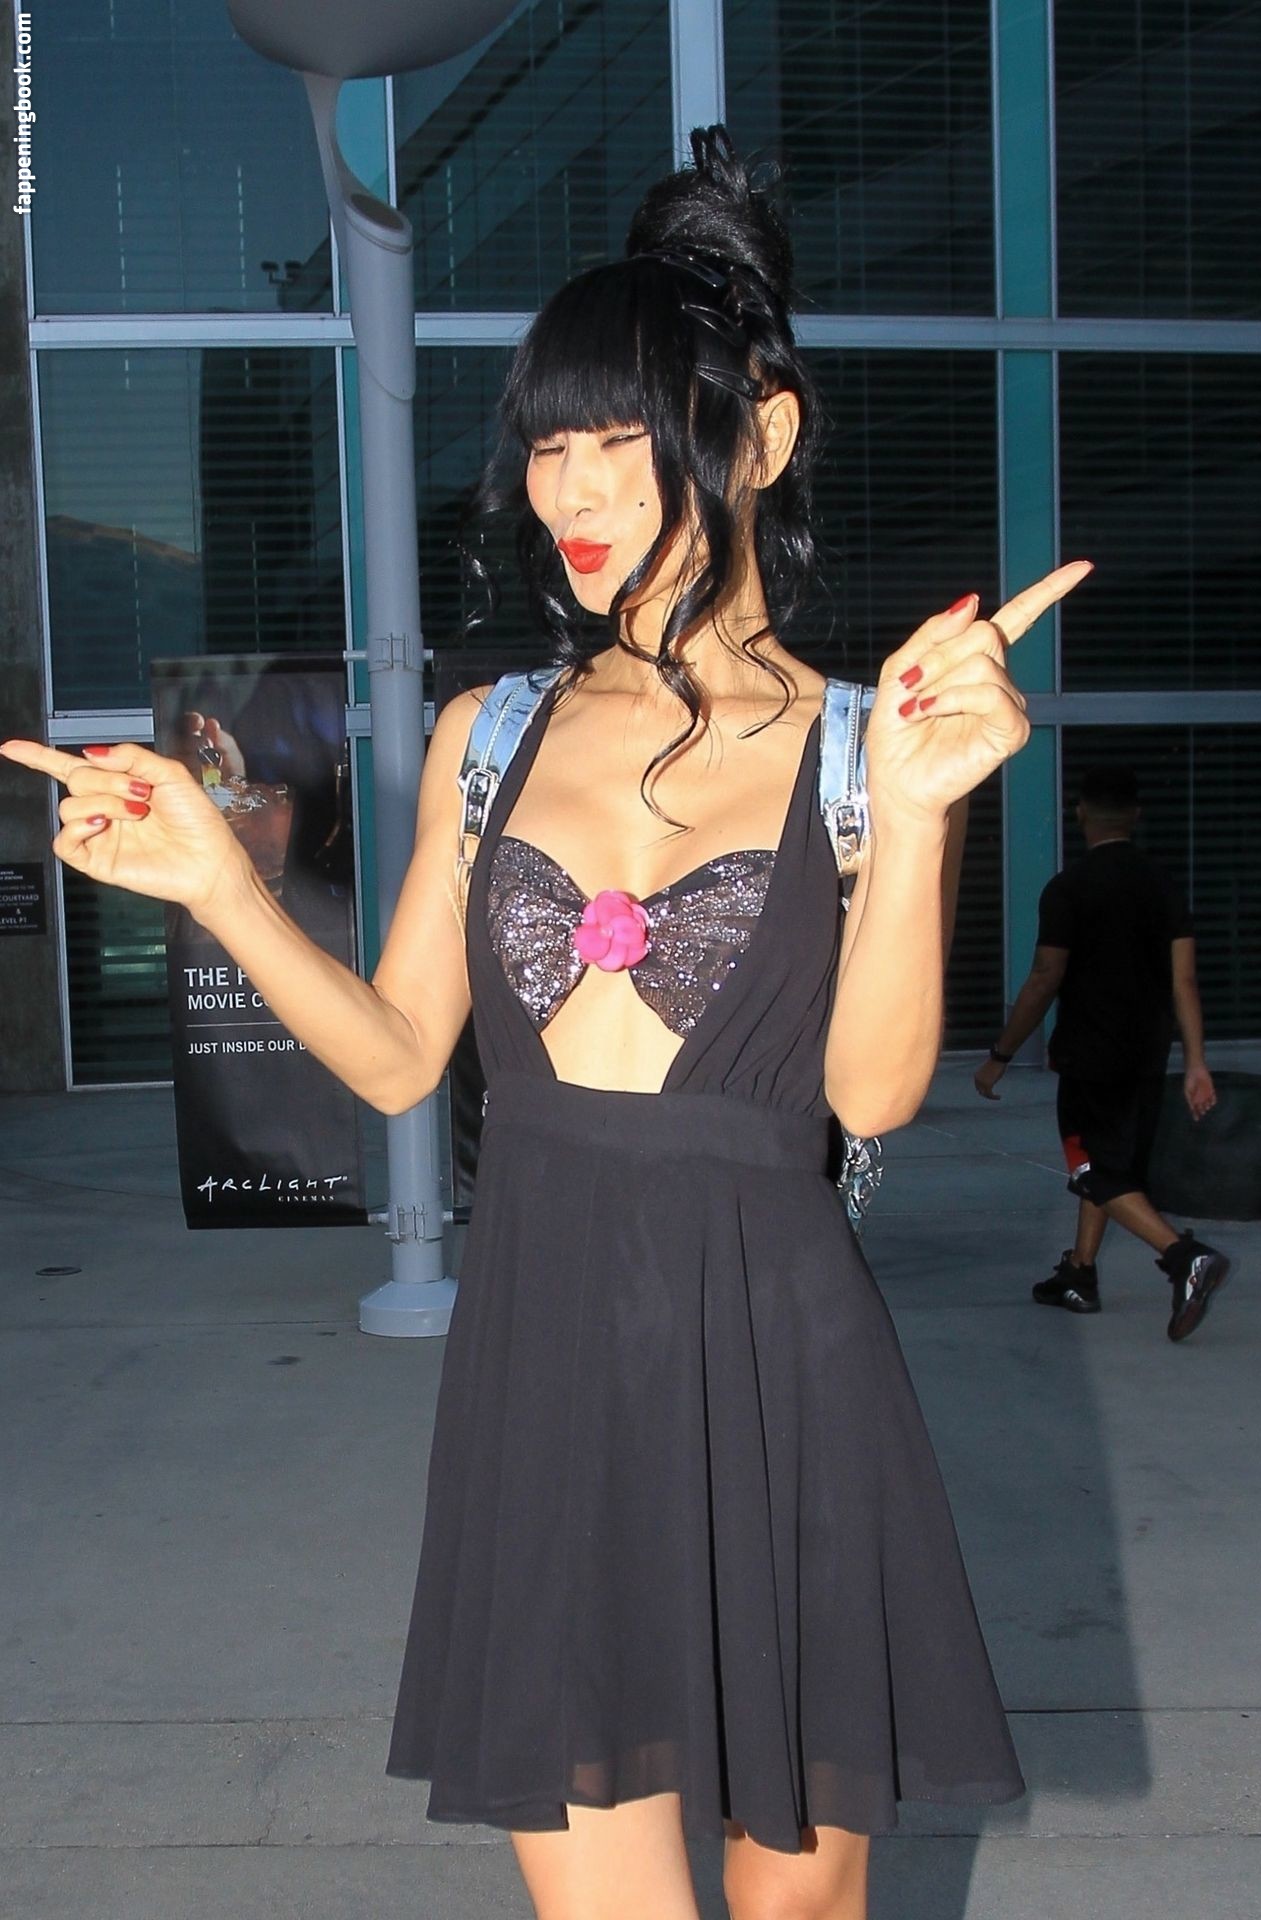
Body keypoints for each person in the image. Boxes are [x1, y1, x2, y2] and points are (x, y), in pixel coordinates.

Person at [3, 129, 1092, 1920]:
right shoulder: (489, 732)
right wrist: (221, 888)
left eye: (616, 441)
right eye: (546, 444)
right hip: (544, 1366)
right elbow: (395, 1056)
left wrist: (919, 812)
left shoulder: (855, 744)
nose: (567, 490)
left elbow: (876, 1087)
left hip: (779, 1368)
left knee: (796, 1905)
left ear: (759, 439)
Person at [974, 762, 1230, 1344]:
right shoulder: (1163, 884)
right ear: (1135, 815)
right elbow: (1184, 981)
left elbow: (1045, 976)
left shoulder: (1069, 888)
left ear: (1081, 813)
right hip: (1147, 1055)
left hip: (1089, 1058)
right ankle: (1079, 1274)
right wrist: (1195, 1062)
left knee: (1092, 1167)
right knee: (1111, 1167)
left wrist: (1001, 1053)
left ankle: (1183, 1257)